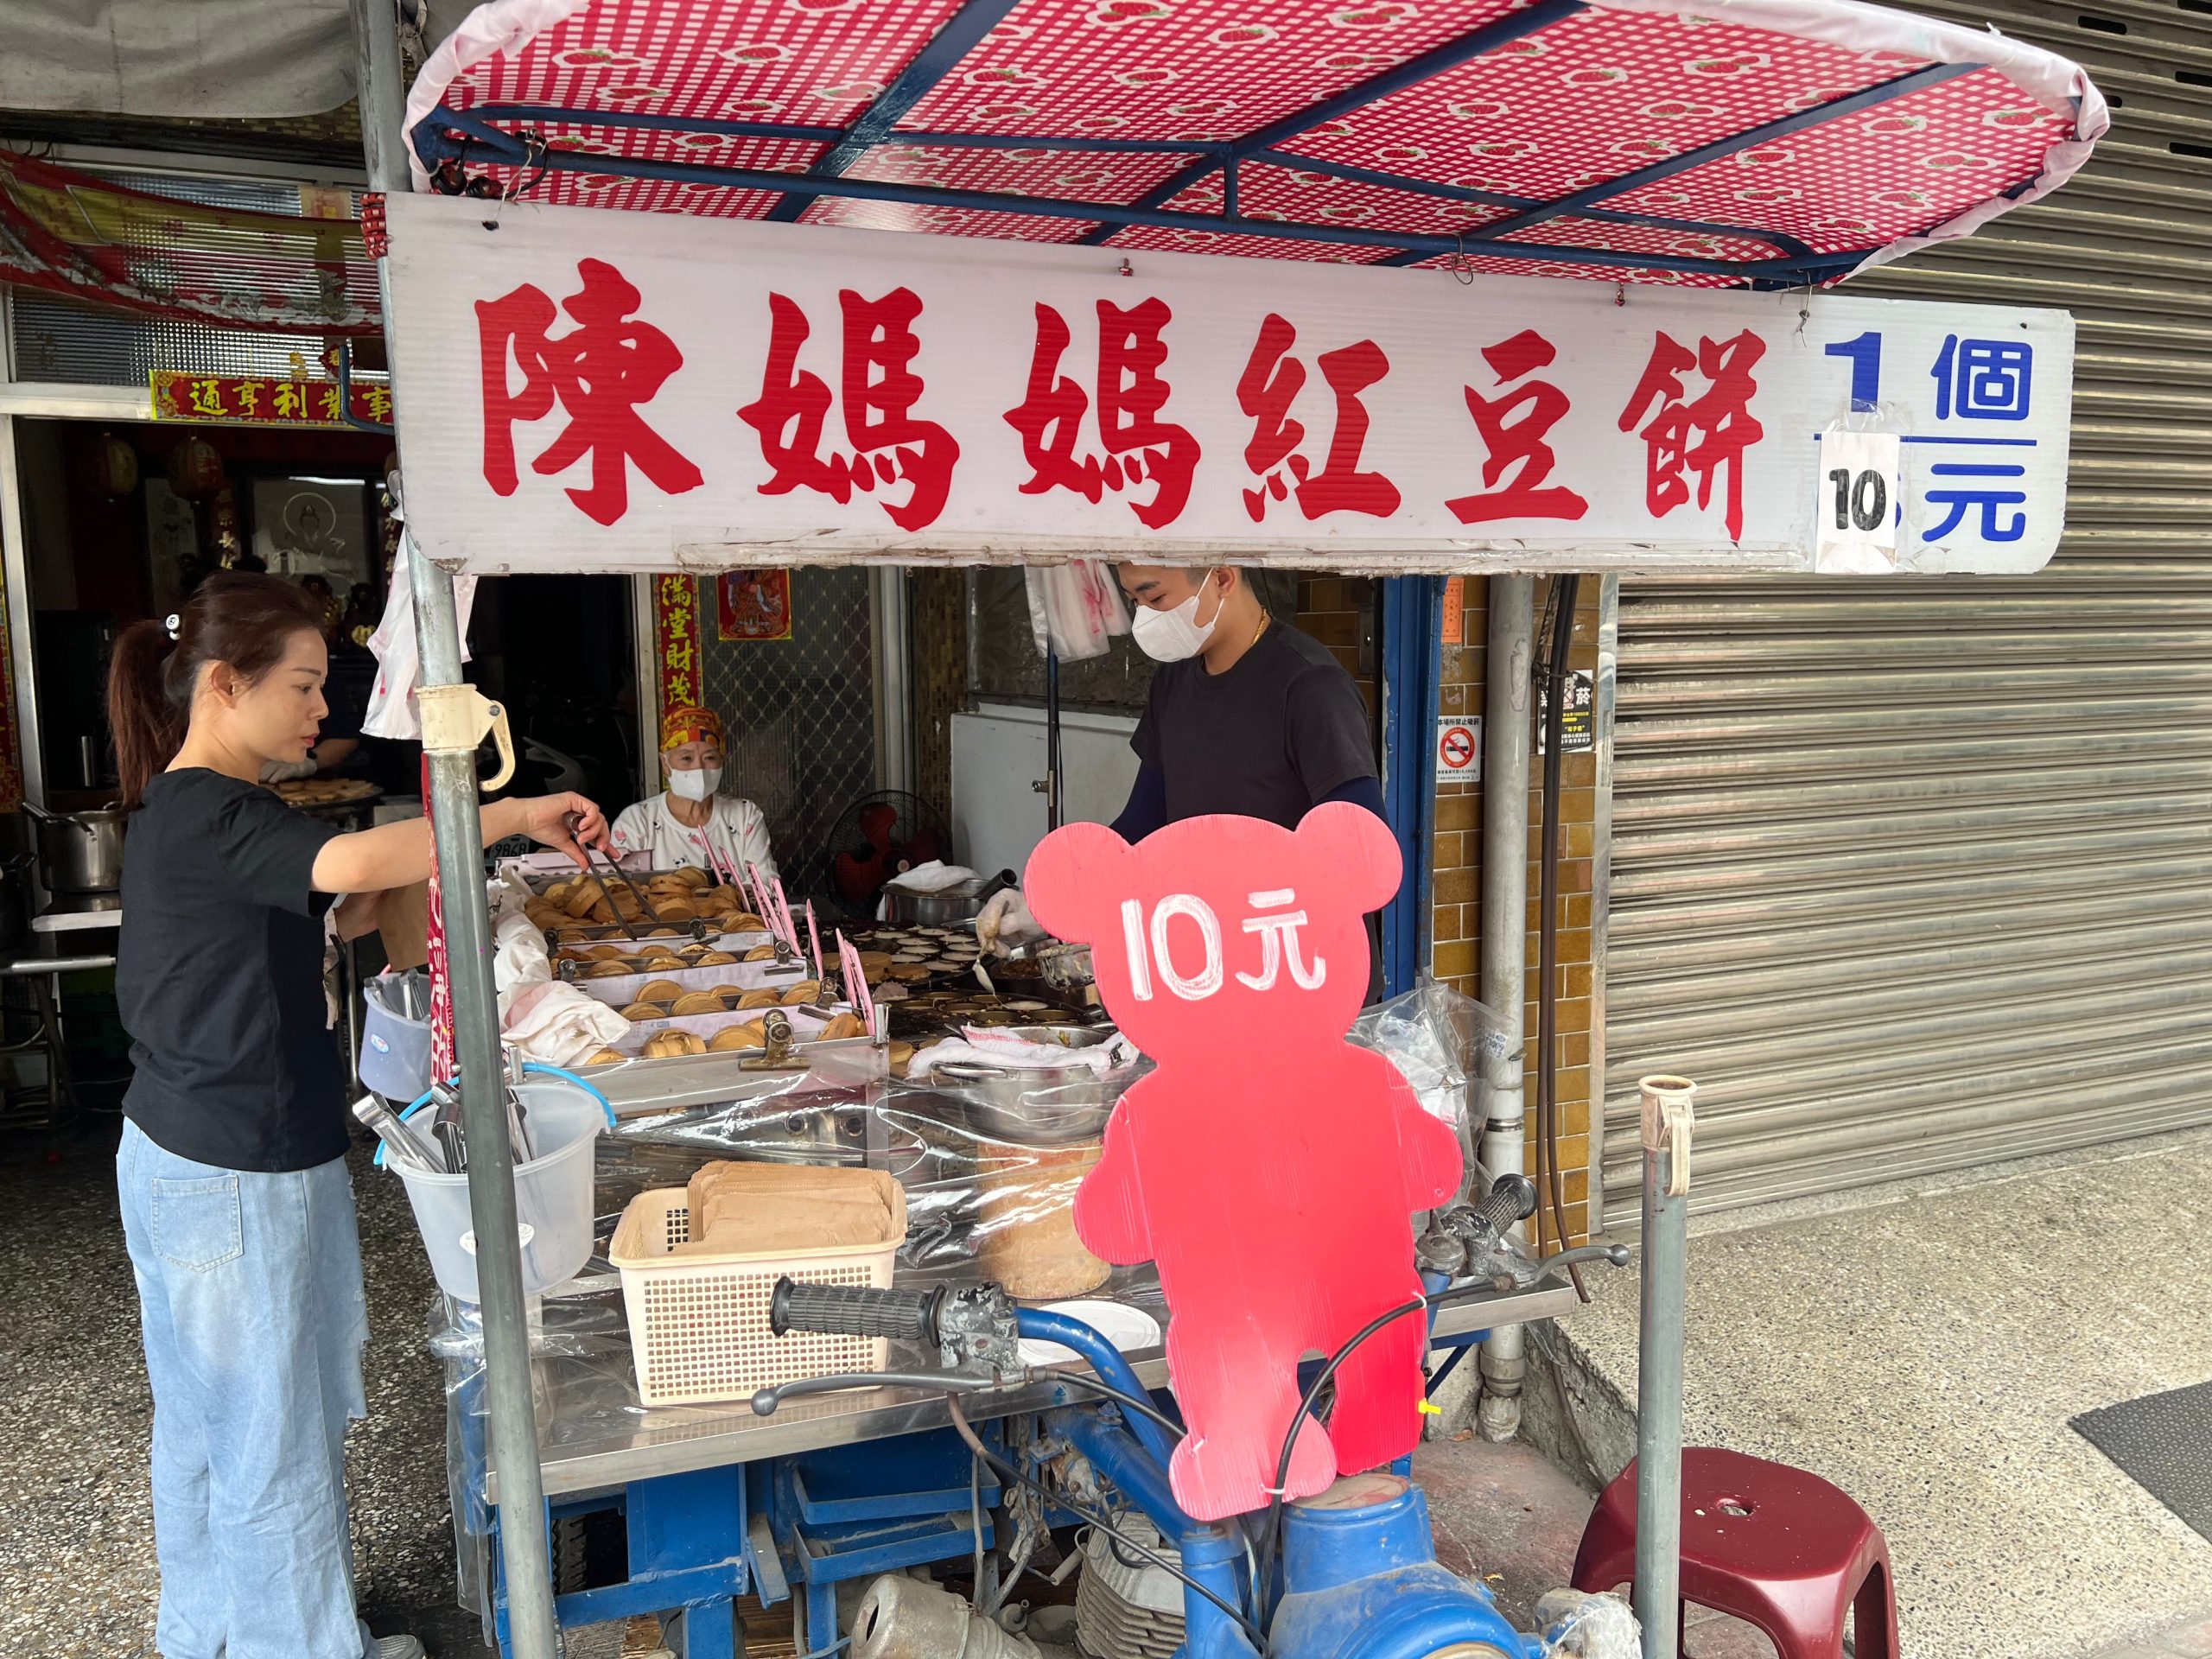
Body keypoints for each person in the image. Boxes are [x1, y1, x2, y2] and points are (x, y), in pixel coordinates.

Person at [106, 572, 611, 1659]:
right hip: (231, 1167)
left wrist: (361, 909)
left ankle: (216, 1638)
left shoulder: (196, 809)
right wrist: (510, 812)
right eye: (300, 685)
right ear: (224, 687)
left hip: (188, 1152)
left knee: (210, 1430)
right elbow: (349, 858)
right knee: (267, 1439)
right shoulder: (210, 806)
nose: (321, 709)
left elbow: (293, 928)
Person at [980, 564, 1389, 999]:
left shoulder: (1310, 686)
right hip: (1206, 973)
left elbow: (1366, 856)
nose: (1145, 618)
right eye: (1135, 601)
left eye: (1155, 599)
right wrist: (1053, 905)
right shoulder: (1173, 682)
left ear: (1222, 579)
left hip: (1311, 978)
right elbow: (1141, 827)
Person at [610, 705, 777, 879]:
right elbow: (622, 893)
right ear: (665, 764)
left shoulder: (745, 816)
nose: (699, 767)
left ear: (722, 760)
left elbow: (765, 883)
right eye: (686, 758)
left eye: (710, 757)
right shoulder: (636, 822)